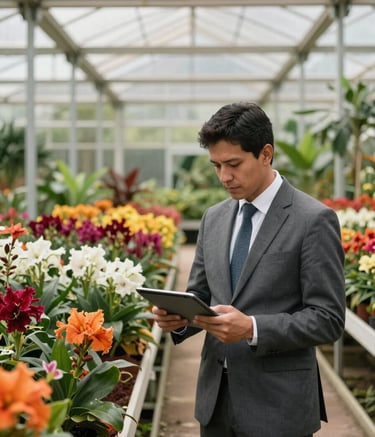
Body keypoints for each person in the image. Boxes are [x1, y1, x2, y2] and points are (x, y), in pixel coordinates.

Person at [152, 102, 346, 437]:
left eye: (233, 164)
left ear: (266, 154)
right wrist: (179, 318)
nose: (224, 176)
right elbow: (200, 294)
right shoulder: (214, 218)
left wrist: (252, 328)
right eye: (216, 166)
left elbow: (328, 319)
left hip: (278, 408)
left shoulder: (313, 220)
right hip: (215, 404)